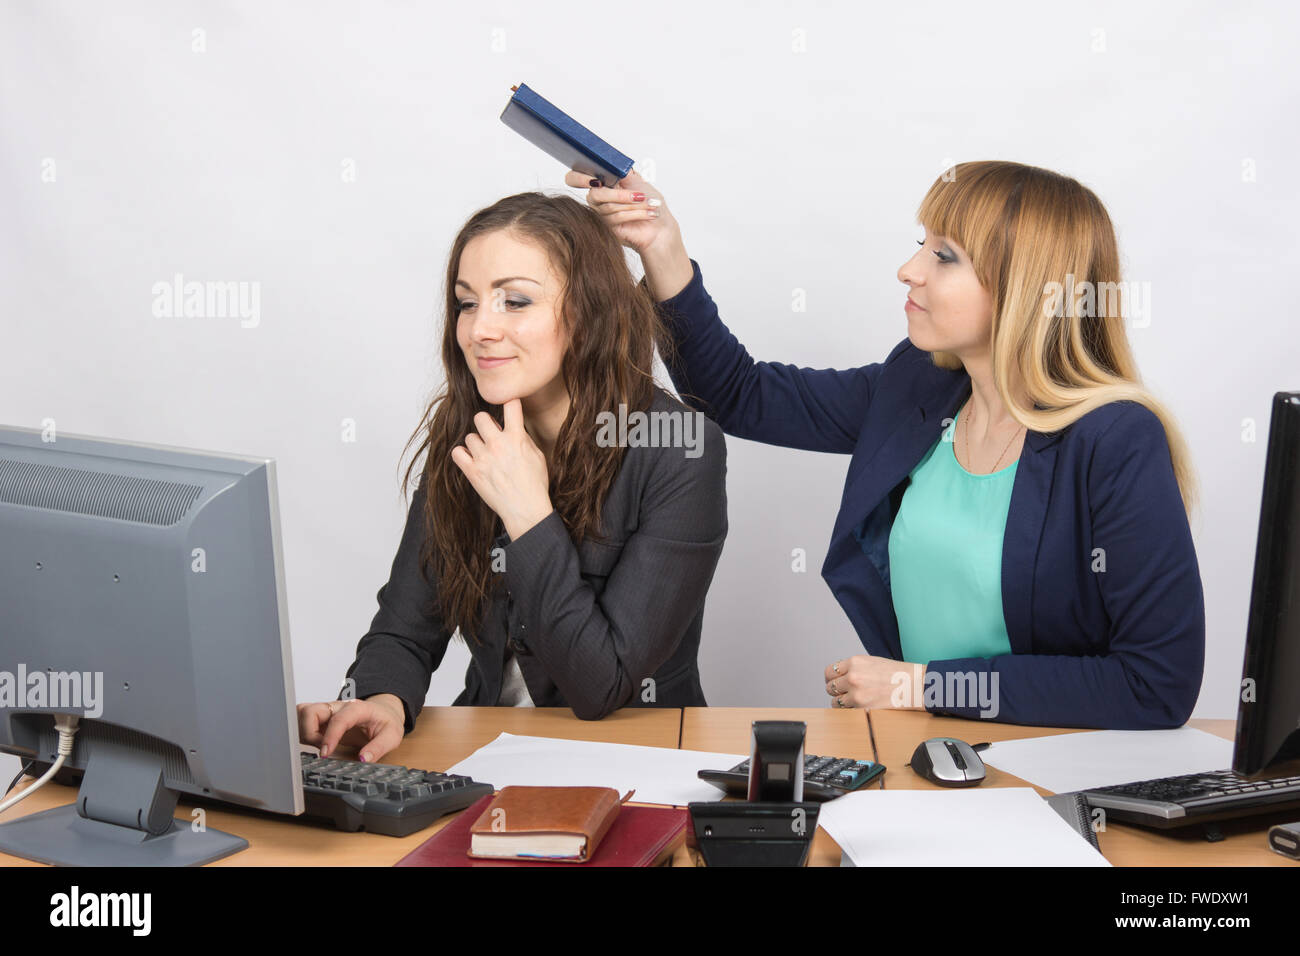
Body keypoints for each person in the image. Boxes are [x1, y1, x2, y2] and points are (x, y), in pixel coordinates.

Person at [568, 160, 1204, 729]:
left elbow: (1155, 686)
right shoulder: (916, 387)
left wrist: (919, 685)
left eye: (945, 255)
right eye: (919, 244)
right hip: (927, 752)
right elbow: (739, 395)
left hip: (1043, 772)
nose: (910, 270)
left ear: (1028, 290)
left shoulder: (1116, 438)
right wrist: (660, 245)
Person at [298, 192, 727, 763]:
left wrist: (527, 512)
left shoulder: (680, 451)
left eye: (515, 302)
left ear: (590, 311)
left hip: (636, 758)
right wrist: (383, 698)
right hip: (488, 751)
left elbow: (601, 686)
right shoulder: (466, 432)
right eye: (467, 304)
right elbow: (406, 626)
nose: (479, 329)